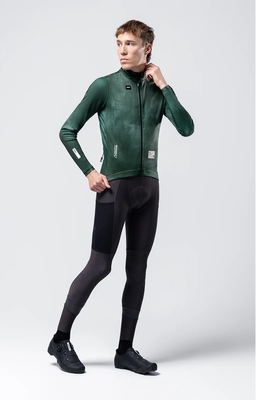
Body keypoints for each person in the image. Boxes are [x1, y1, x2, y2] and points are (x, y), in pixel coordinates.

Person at [48, 19, 194, 375]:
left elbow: (187, 128)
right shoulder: (105, 86)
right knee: (100, 266)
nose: (122, 50)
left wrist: (165, 86)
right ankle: (60, 338)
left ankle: (125, 350)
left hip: (149, 189)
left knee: (137, 269)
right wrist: (89, 171)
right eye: (119, 43)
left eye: (130, 44)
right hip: (115, 189)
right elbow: (67, 131)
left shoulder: (158, 91)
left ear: (147, 48)